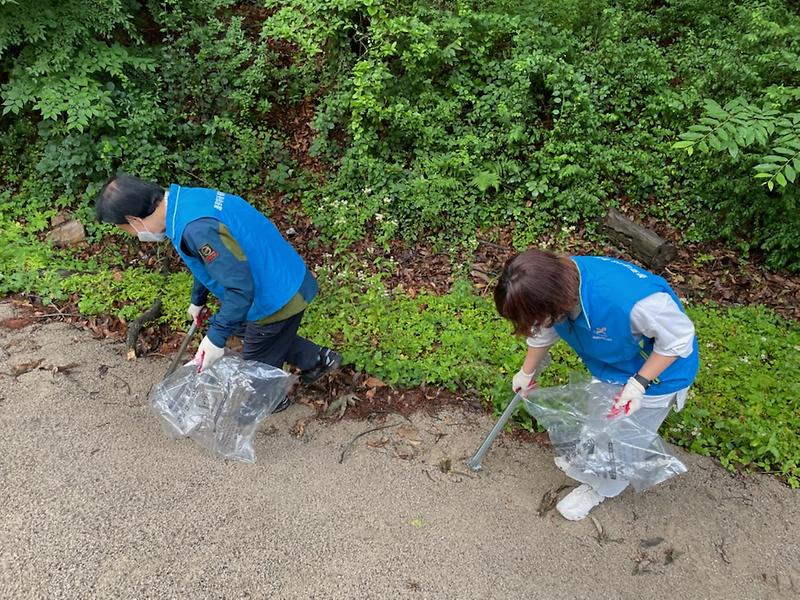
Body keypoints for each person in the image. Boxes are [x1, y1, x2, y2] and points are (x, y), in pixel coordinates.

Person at [95, 175, 341, 412]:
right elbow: (209, 264)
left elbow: (241, 288)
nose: (133, 234)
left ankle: (273, 402)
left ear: (134, 219)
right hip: (284, 275)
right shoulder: (185, 202)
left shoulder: (196, 228)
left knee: (255, 368)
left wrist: (214, 338)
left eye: (126, 229)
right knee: (242, 328)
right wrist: (198, 300)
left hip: (276, 297)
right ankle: (317, 358)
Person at [494, 249, 698, 520]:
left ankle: (600, 488)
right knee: (599, 418)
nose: (533, 326)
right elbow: (543, 328)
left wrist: (638, 384)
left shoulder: (633, 302)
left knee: (622, 439)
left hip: (656, 375)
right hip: (612, 363)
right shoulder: (555, 284)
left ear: (555, 302)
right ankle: (589, 459)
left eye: (535, 317)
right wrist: (527, 372)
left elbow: (679, 339)